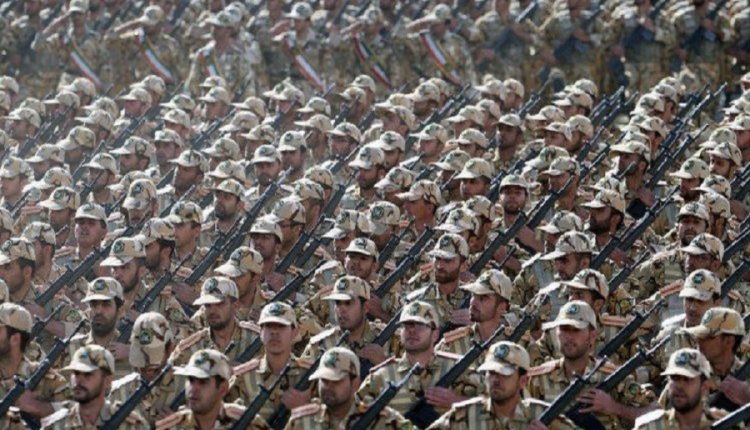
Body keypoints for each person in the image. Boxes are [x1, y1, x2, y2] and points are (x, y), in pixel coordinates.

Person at [429, 341, 575, 430]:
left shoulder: (541, 415)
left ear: (523, 381)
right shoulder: (465, 415)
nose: (495, 380)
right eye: (491, 373)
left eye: (505, 374)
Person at [286, 346, 413, 429]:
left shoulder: (384, 420)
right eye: (324, 380)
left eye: (336, 381)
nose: (328, 387)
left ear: (355, 383)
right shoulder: (301, 421)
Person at [156, 349, 269, 429]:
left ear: (222, 389)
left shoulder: (248, 422)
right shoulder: (171, 426)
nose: (193, 389)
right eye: (191, 380)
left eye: (203, 382)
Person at [40, 345, 148, 429]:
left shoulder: (131, 425)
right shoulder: (55, 426)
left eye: (88, 374)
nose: (79, 380)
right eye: (76, 373)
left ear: (107, 381)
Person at [634, 348, 729, 429]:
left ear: (704, 387)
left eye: (687, 379)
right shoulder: (650, 426)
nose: (679, 385)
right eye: (674, 378)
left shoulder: (726, 423)